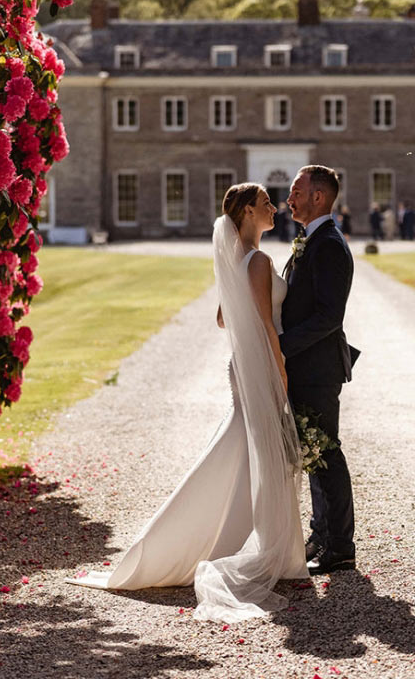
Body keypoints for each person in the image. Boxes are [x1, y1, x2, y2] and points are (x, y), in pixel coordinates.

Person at [69, 183, 308, 622]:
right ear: (249, 212)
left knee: (246, 450)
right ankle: (253, 547)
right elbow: (262, 325)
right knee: (255, 450)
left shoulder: (240, 260)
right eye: (267, 203)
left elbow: (223, 318)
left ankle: (221, 540)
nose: (275, 208)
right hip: (260, 369)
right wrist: (280, 368)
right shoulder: (257, 261)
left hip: (244, 366)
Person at [282, 165, 360, 575]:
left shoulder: (328, 244)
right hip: (305, 366)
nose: (288, 196)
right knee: (313, 452)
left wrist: (281, 348)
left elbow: (330, 316)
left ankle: (340, 546)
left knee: (326, 451)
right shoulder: (311, 240)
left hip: (317, 368)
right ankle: (321, 533)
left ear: (318, 197)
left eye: (296, 189)